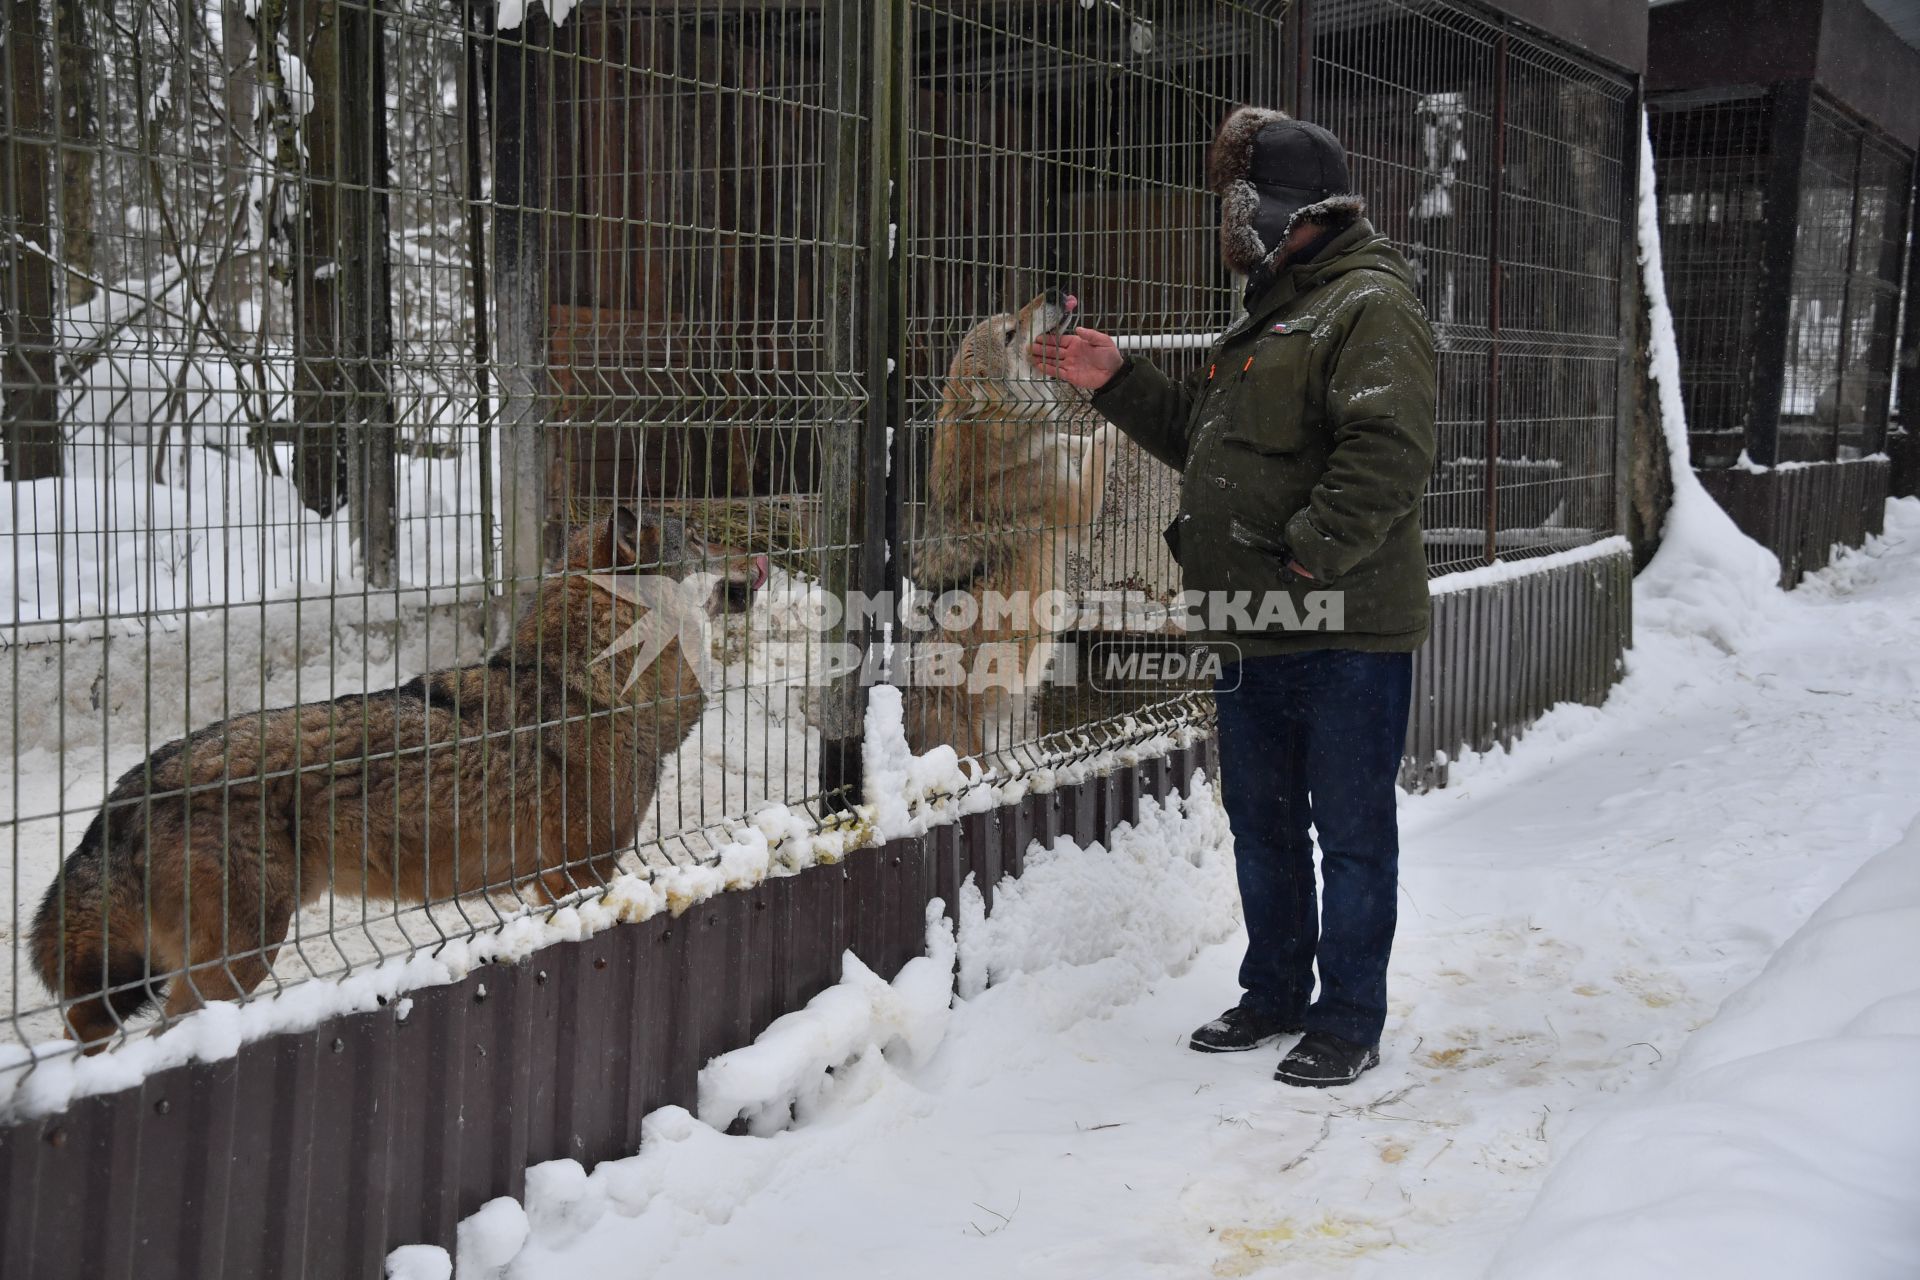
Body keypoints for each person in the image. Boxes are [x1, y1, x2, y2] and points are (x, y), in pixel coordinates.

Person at [1030, 108, 1436, 1087]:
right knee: (1261, 820)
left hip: (1338, 626)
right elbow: (1210, 444)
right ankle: (1276, 991)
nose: (1229, 221)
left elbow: (1386, 456)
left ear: (1292, 209)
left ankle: (1346, 1016)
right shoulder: (1272, 307)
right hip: (1254, 627)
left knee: (1349, 829)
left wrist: (1303, 559)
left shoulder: (1368, 307)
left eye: (1240, 202)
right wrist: (1117, 378)